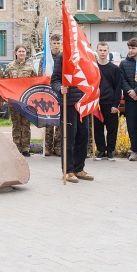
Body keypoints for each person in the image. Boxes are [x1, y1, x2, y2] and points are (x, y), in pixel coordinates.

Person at [51, 50, 93, 182]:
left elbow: (91, 76)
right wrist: (60, 88)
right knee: (69, 137)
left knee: (83, 135)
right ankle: (68, 170)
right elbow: (55, 80)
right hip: (68, 103)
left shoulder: (86, 56)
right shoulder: (62, 57)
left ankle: (79, 168)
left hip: (84, 102)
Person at [6, 44, 38, 157]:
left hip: (26, 101)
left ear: (26, 53)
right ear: (15, 52)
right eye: (19, 51)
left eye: (23, 51)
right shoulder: (10, 67)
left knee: (25, 124)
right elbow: (5, 83)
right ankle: (16, 147)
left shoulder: (30, 67)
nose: (21, 53)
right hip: (14, 101)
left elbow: (35, 82)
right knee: (16, 124)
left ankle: (25, 147)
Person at [93, 42, 122, 161]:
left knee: (112, 128)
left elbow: (118, 87)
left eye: (105, 50)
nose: (103, 53)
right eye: (100, 50)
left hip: (110, 103)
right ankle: (101, 150)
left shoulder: (114, 69)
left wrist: (116, 104)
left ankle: (110, 151)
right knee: (97, 128)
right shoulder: (93, 67)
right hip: (96, 104)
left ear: (108, 51)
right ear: (97, 51)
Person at [41, 34, 63, 156]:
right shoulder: (45, 58)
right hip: (48, 93)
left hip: (60, 92)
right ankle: (48, 146)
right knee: (49, 121)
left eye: (58, 43)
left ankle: (58, 146)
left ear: (60, 43)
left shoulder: (64, 57)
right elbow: (41, 76)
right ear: (50, 43)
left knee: (60, 120)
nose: (56, 45)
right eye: (54, 43)